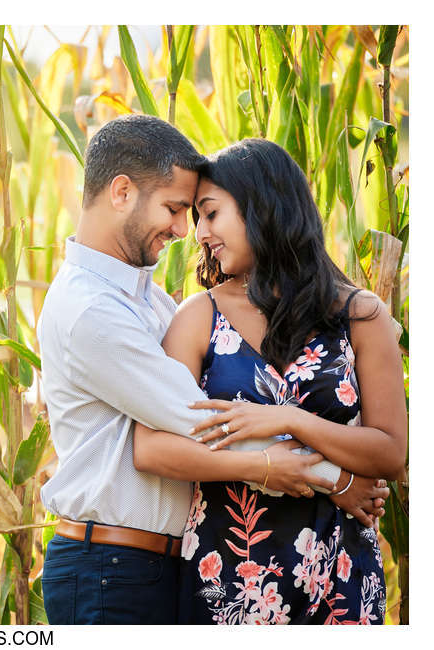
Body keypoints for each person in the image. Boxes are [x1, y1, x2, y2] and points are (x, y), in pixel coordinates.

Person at [36, 115, 385, 625]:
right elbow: (198, 417)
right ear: (122, 192)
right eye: (176, 209)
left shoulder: (147, 300)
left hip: (149, 564)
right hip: (110, 568)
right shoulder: (93, 311)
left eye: (196, 213)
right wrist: (335, 478)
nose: (184, 231)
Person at [132, 138, 406, 624]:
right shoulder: (199, 317)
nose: (200, 233)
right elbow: (153, 448)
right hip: (228, 582)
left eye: (211, 214)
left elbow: (390, 452)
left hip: (340, 583)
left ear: (262, 206)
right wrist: (318, 475)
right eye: (197, 216)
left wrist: (288, 418)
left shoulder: (361, 316)